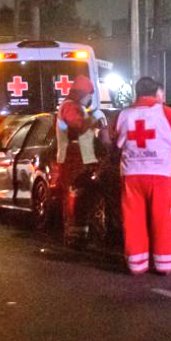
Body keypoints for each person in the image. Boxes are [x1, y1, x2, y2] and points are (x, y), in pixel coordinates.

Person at [114, 76, 171, 275]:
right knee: (164, 219)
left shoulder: (124, 115)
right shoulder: (167, 113)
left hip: (132, 174)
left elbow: (115, 140)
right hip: (160, 174)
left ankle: (137, 264)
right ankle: (164, 265)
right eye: (161, 94)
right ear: (157, 93)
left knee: (133, 219)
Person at [56, 74, 105, 237]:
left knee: (78, 197)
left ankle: (78, 234)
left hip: (77, 159)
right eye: (89, 96)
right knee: (75, 196)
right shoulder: (70, 107)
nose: (89, 100)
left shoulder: (73, 107)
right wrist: (95, 118)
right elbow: (79, 126)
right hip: (73, 159)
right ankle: (73, 235)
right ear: (83, 94)